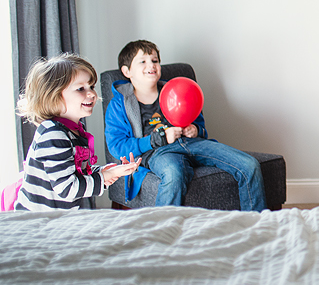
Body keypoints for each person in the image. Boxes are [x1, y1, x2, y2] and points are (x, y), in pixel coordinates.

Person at [103, 40, 266, 211]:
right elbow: (117, 146)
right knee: (174, 174)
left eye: (155, 60)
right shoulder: (120, 104)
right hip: (158, 152)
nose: (151, 65)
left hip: (192, 144)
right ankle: (162, 231)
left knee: (249, 164)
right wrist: (155, 140)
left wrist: (196, 130)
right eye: (143, 61)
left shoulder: (175, 90)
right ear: (127, 71)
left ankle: (256, 225)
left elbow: (199, 125)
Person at [13, 54, 140, 211]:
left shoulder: (74, 131)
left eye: (91, 87)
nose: (92, 94)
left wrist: (108, 171)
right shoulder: (53, 134)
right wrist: (105, 177)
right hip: (36, 220)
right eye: (81, 89)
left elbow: (78, 172)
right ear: (55, 96)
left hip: (58, 218)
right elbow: (67, 188)